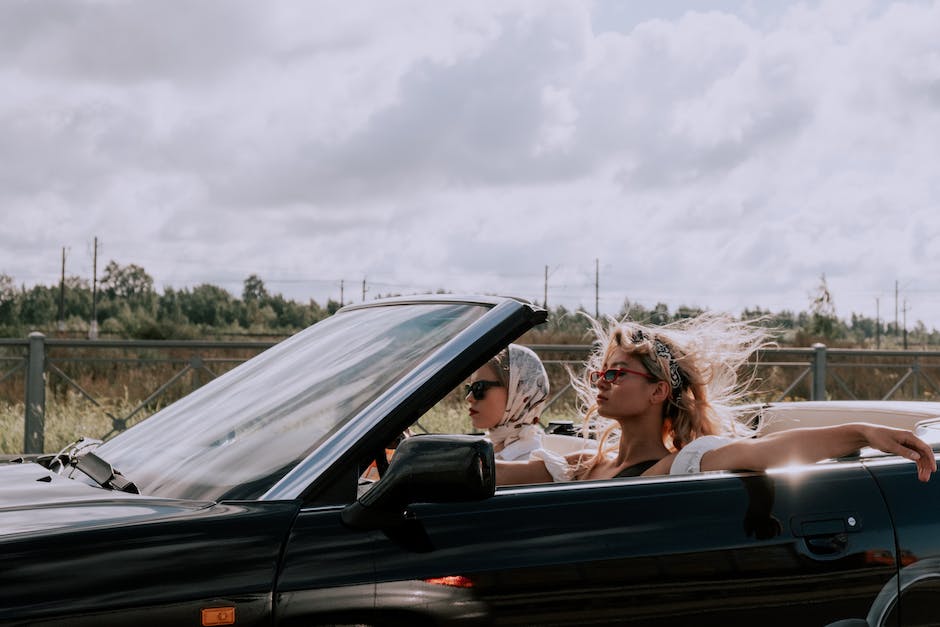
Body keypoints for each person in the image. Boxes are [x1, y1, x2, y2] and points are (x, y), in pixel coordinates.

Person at [497, 312, 936, 485]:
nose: (601, 382)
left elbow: (769, 452)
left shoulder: (680, 462)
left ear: (658, 391)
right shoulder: (579, 465)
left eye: (616, 372)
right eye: (600, 372)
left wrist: (859, 431)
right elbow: (491, 474)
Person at [466, 343, 549, 461]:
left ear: (518, 392)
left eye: (479, 387)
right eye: (469, 388)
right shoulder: (493, 445)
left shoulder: (528, 460)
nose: (469, 398)